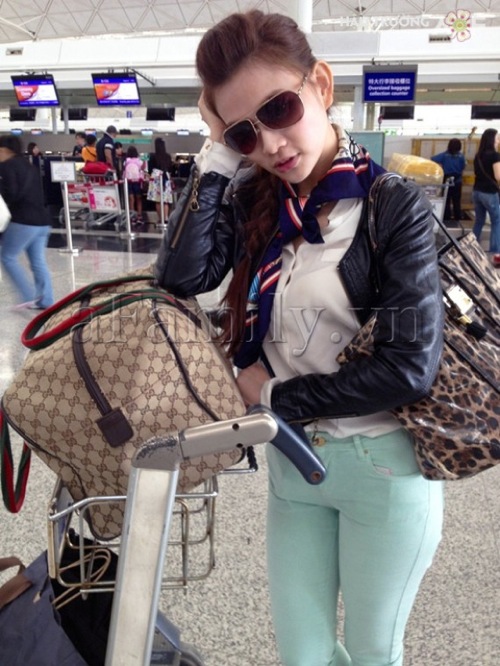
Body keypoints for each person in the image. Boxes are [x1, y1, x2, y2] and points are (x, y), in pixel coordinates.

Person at [154, 10, 444, 666]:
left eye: (279, 109)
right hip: (292, 463)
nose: (271, 143)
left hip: (382, 466)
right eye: (245, 131)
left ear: (321, 83)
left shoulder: (391, 205)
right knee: (303, 653)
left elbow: (409, 368)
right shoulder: (258, 202)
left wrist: (272, 396)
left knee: (372, 652)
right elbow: (180, 276)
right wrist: (219, 156)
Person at [0, 134, 54, 310]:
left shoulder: (6, 166)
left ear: (5, 150)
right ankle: (45, 299)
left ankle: (28, 296)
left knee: (7, 257)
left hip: (23, 220)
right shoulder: (29, 166)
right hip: (43, 221)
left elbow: (11, 193)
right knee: (38, 261)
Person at [472, 127, 500, 257]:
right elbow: (498, 176)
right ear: (492, 140)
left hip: (477, 191)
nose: (499, 140)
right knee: (496, 221)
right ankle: (495, 252)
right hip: (489, 193)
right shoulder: (495, 156)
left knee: (479, 221)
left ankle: (471, 248)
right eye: (497, 138)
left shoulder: (478, 156)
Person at [431, 138, 466, 222]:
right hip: (457, 180)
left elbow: (433, 158)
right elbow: (463, 166)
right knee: (456, 200)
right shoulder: (461, 156)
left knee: (446, 199)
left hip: (447, 180)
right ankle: (457, 217)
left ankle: (447, 217)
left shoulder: (445, 155)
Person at [147, 137, 173, 222]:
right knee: (165, 200)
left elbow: (150, 169)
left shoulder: (152, 156)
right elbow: (170, 168)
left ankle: (160, 218)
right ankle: (165, 218)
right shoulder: (168, 156)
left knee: (157, 200)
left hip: (156, 178)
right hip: (166, 178)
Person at [123, 145, 145, 222]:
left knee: (131, 199)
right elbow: (143, 168)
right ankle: (139, 215)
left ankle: (132, 215)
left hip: (128, 181)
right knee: (139, 198)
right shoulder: (139, 161)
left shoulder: (126, 161)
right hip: (137, 181)